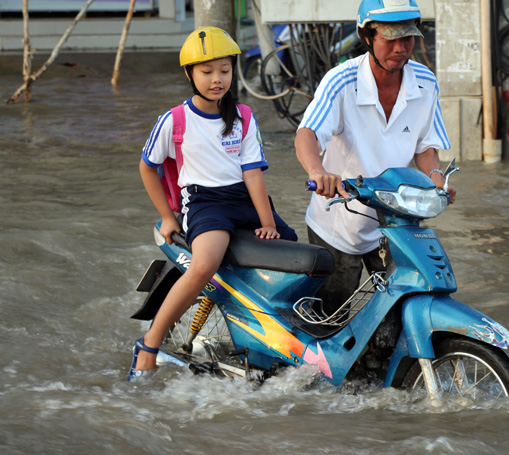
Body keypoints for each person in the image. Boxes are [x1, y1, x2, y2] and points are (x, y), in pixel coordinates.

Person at [130, 26, 297, 381]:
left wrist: (267, 223)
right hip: (204, 202)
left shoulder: (245, 117)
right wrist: (166, 215)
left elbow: (253, 174)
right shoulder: (175, 119)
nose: (217, 79)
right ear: (189, 74)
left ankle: (269, 341)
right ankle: (149, 344)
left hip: (243, 198)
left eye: (224, 69)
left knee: (295, 255)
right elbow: (147, 167)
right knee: (204, 264)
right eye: (207, 71)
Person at [294, 0, 456, 313]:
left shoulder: (425, 82)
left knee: (407, 306)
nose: (400, 48)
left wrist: (438, 182)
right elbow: (307, 134)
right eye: (390, 38)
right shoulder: (342, 81)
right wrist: (317, 171)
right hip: (340, 220)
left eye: (407, 38)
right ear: (368, 37)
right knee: (332, 320)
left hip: (398, 216)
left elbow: (424, 147)